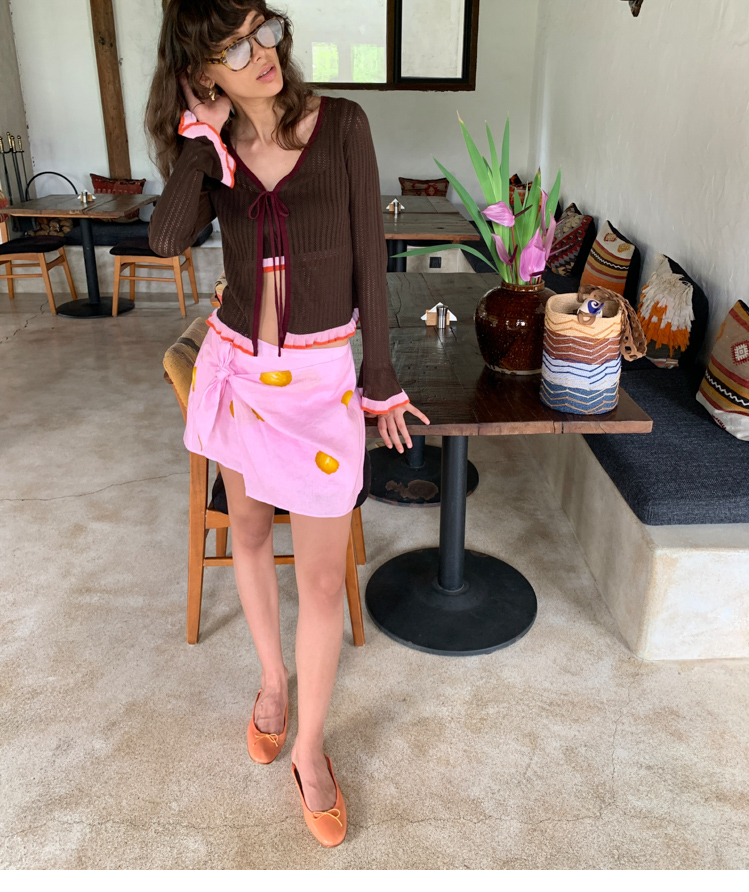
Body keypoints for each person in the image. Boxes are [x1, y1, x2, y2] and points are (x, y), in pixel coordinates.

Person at [145, 0, 430, 847]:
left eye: (263, 29)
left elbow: (371, 261)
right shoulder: (215, 153)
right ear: (200, 73)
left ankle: (309, 749)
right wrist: (203, 139)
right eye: (233, 48)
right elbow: (165, 237)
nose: (261, 52)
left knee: (320, 578)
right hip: (239, 369)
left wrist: (380, 380)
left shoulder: (341, 126)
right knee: (248, 531)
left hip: (319, 384)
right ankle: (272, 682)